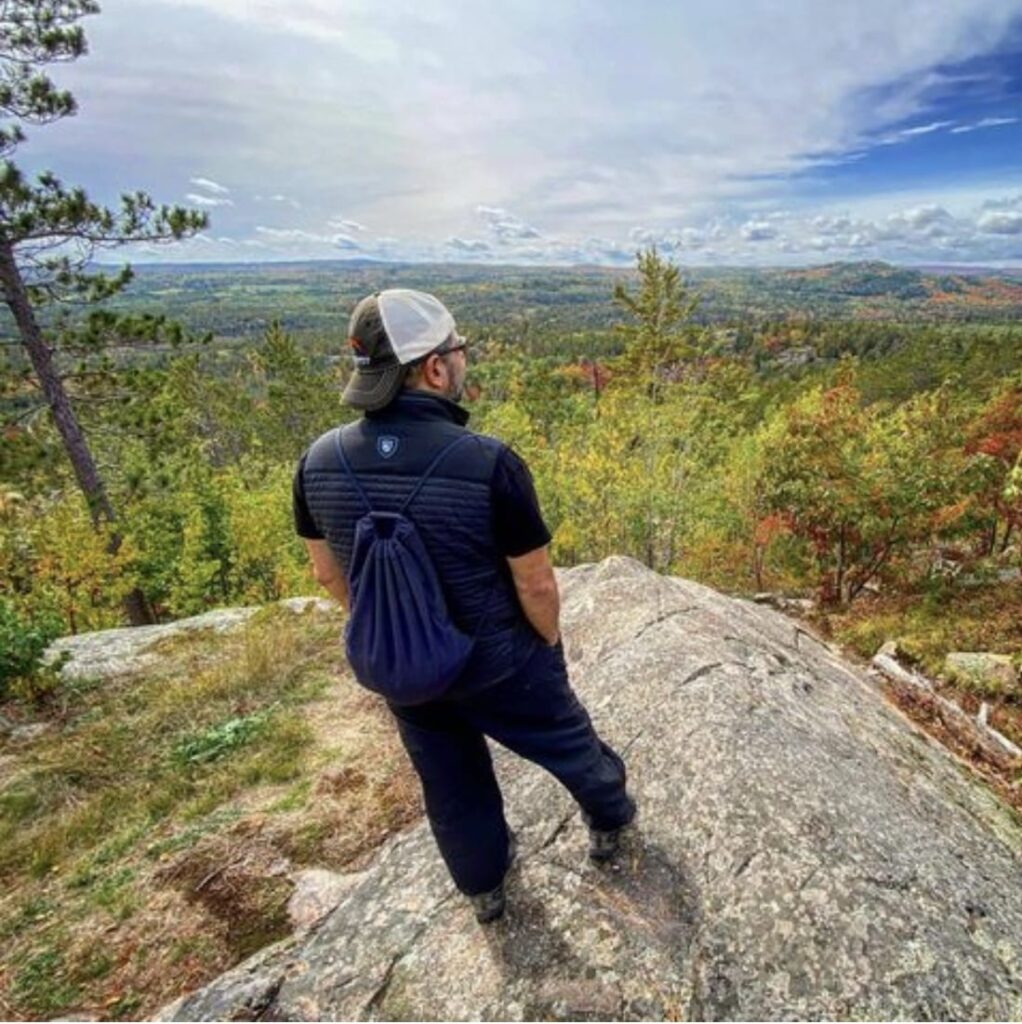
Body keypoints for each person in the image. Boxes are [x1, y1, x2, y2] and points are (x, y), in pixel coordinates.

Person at [292, 288, 636, 922]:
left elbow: (327, 574)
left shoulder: (318, 461)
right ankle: (611, 822)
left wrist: (397, 631)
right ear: (432, 368)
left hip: (409, 673)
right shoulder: (490, 463)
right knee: (565, 741)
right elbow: (535, 584)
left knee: (450, 784)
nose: (462, 360)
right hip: (499, 662)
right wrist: (548, 644)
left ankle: (485, 891)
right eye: (458, 350)